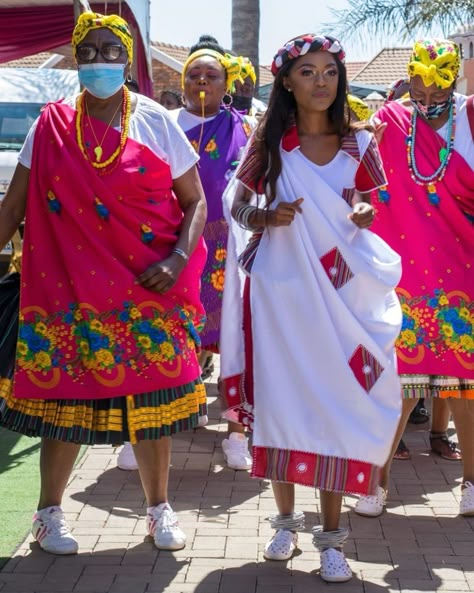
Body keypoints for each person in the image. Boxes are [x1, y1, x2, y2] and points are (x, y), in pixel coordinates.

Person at [0, 11, 208, 555]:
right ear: (75, 59)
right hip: (68, 290)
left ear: (127, 61)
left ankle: (158, 511)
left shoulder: (157, 120)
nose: (98, 62)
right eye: (87, 53)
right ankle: (48, 515)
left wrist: (179, 256)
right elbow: (14, 205)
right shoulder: (49, 126)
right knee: (62, 405)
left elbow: (195, 202)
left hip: (147, 286)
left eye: (109, 52)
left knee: (151, 405)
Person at [220, 33, 403, 582]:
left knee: (336, 405)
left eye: (329, 71)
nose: (321, 81)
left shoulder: (360, 143)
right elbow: (236, 201)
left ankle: (331, 540)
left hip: (344, 293)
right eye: (308, 72)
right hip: (283, 294)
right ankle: (284, 521)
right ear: (285, 81)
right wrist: (264, 218)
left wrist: (365, 211)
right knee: (284, 402)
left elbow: (367, 198)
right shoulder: (272, 143)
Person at [355, 39, 473, 518]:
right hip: (401, 271)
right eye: (418, 89)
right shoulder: (389, 120)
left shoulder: (470, 117)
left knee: (465, 383)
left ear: (453, 79)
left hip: (463, 269)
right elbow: (357, 169)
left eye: (437, 89)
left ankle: (470, 484)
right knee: (398, 382)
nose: (427, 101)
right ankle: (374, 482)